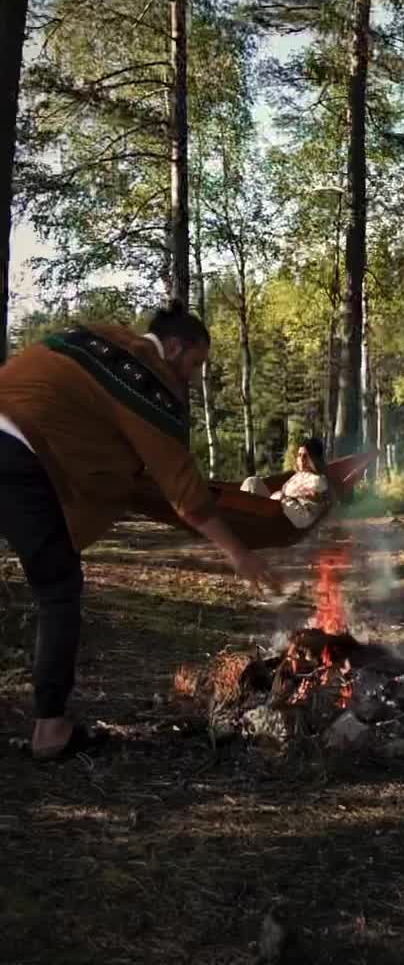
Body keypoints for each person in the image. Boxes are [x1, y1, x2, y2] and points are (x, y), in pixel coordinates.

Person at [0, 301, 282, 762]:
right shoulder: (148, 382)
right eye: (194, 364)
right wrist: (240, 553)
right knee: (58, 589)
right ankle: (50, 729)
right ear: (173, 347)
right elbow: (184, 489)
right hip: (18, 455)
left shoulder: (99, 335)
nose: (192, 377)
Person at [241, 436, 330, 530]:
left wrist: (280, 495)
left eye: (305, 456)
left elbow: (316, 495)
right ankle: (244, 516)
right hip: (280, 508)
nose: (301, 459)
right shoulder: (298, 475)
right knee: (252, 481)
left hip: (296, 517)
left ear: (314, 459)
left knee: (270, 493)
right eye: (299, 455)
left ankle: (247, 521)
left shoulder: (317, 479)